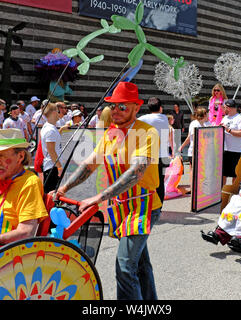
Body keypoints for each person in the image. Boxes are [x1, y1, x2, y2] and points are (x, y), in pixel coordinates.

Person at [55, 82, 161, 300]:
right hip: (122, 206)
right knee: (139, 265)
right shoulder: (111, 133)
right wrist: (64, 187)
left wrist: (99, 197)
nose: (116, 111)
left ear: (136, 108)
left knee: (124, 268)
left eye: (122, 107)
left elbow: (135, 173)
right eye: (113, 106)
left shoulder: (147, 132)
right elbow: (89, 164)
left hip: (143, 207)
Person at [138, 97, 170, 205]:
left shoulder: (144, 118)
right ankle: (159, 207)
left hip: (151, 156)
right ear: (160, 108)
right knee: (160, 182)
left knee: (148, 182)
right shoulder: (164, 118)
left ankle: (149, 205)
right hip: (164, 156)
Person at [220, 99, 241, 186]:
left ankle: (234, 193)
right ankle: (222, 194)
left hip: (235, 151)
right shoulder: (225, 118)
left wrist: (228, 130)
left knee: (235, 174)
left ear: (230, 108)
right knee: (223, 174)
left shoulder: (240, 118)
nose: (224, 109)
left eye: (225, 107)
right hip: (224, 149)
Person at [40, 103, 63, 193]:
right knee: (51, 196)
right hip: (52, 167)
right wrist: (59, 167)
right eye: (58, 111)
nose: (59, 113)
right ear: (54, 112)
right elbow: (51, 150)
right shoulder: (50, 130)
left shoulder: (49, 128)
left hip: (51, 166)